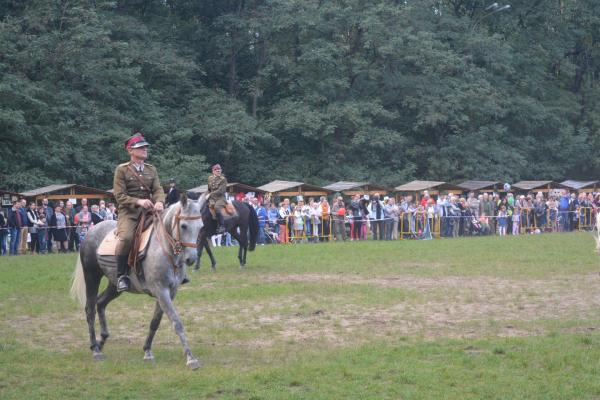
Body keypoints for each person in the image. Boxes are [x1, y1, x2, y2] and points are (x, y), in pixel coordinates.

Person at [113, 132, 165, 292]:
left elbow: (158, 189)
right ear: (130, 151)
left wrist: (160, 201)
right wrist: (138, 201)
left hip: (150, 211)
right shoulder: (122, 170)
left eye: (145, 147)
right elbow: (119, 196)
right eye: (140, 147)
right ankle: (121, 275)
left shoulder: (152, 169)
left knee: (171, 231)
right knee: (127, 237)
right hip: (129, 212)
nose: (145, 149)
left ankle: (177, 267)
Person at [207, 164, 228, 234]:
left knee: (217, 207)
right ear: (213, 171)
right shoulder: (210, 178)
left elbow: (221, 191)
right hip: (212, 198)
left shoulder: (223, 179)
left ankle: (222, 226)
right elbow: (209, 189)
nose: (218, 171)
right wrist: (206, 194)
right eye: (216, 170)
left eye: (219, 170)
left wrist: (210, 194)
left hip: (220, 198)